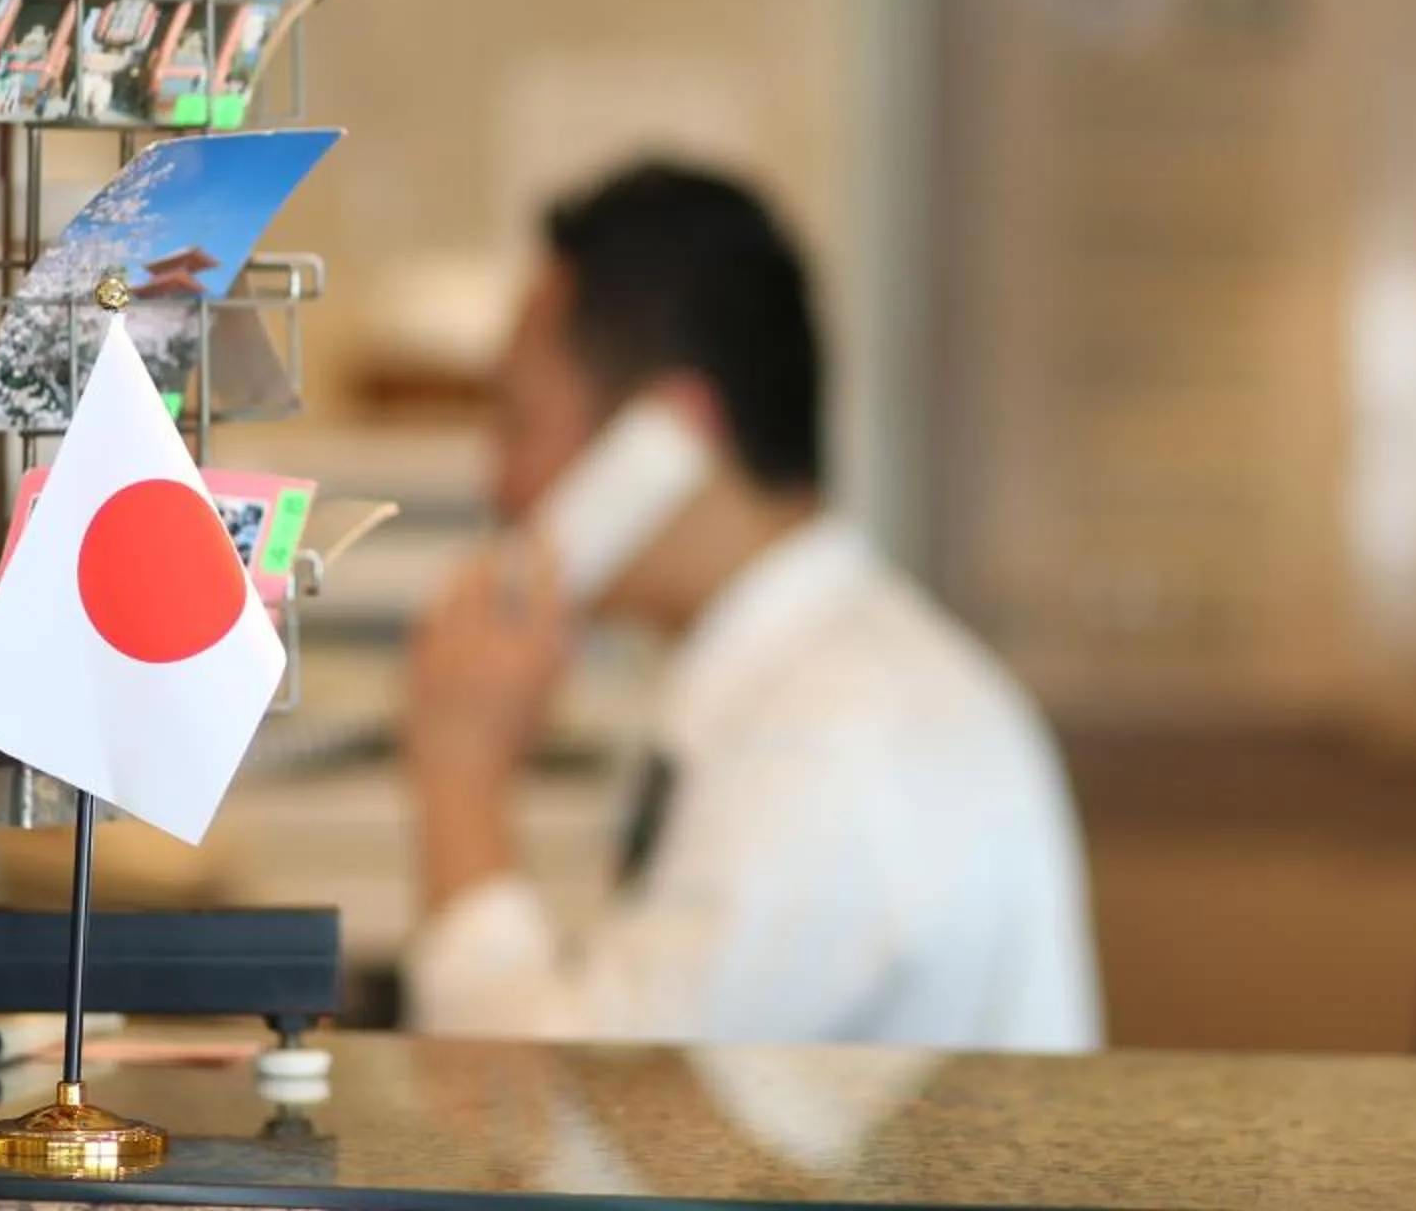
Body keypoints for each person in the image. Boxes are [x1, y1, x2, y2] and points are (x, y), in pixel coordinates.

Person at [401, 161, 1102, 1050]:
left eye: (518, 423)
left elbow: (563, 1148)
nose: (498, 486)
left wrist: (460, 774)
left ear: (666, 438)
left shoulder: (831, 740)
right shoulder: (821, 681)